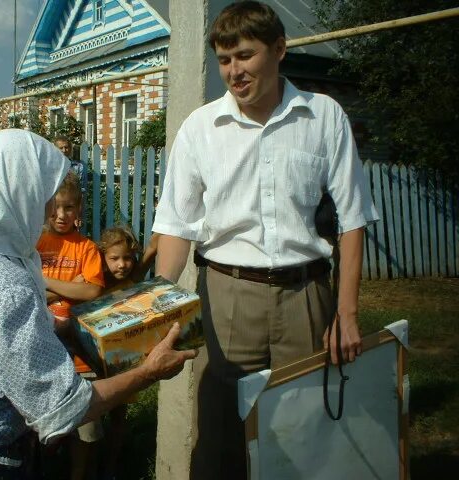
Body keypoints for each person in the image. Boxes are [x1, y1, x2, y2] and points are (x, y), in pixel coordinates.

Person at [0, 129, 196, 479]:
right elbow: (63, 408)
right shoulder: (4, 282)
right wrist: (148, 372)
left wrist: (54, 327)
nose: (46, 206)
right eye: (43, 192)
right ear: (19, 190)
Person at [151, 2, 379, 478]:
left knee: (306, 426)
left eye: (246, 56)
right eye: (225, 60)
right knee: (220, 435)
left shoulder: (324, 118)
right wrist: (156, 314)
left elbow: (352, 220)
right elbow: (175, 225)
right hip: (227, 297)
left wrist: (347, 313)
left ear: (279, 50)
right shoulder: (200, 129)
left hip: (306, 296)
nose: (234, 71)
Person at [37, 171, 105, 480]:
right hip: (41, 345)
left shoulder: (87, 248)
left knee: (85, 422)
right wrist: (67, 285)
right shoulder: (35, 243)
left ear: (79, 210)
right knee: (42, 419)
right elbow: (27, 288)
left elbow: (92, 290)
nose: (61, 215)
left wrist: (46, 284)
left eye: (69, 208)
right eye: (56, 207)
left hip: (79, 352)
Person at [97, 225, 159, 480]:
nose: (122, 264)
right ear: (102, 257)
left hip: (123, 361)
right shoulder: (95, 283)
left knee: (118, 416)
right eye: (114, 258)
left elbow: (155, 245)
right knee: (92, 417)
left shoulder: (134, 279)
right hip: (95, 360)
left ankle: (110, 466)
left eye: (127, 258)